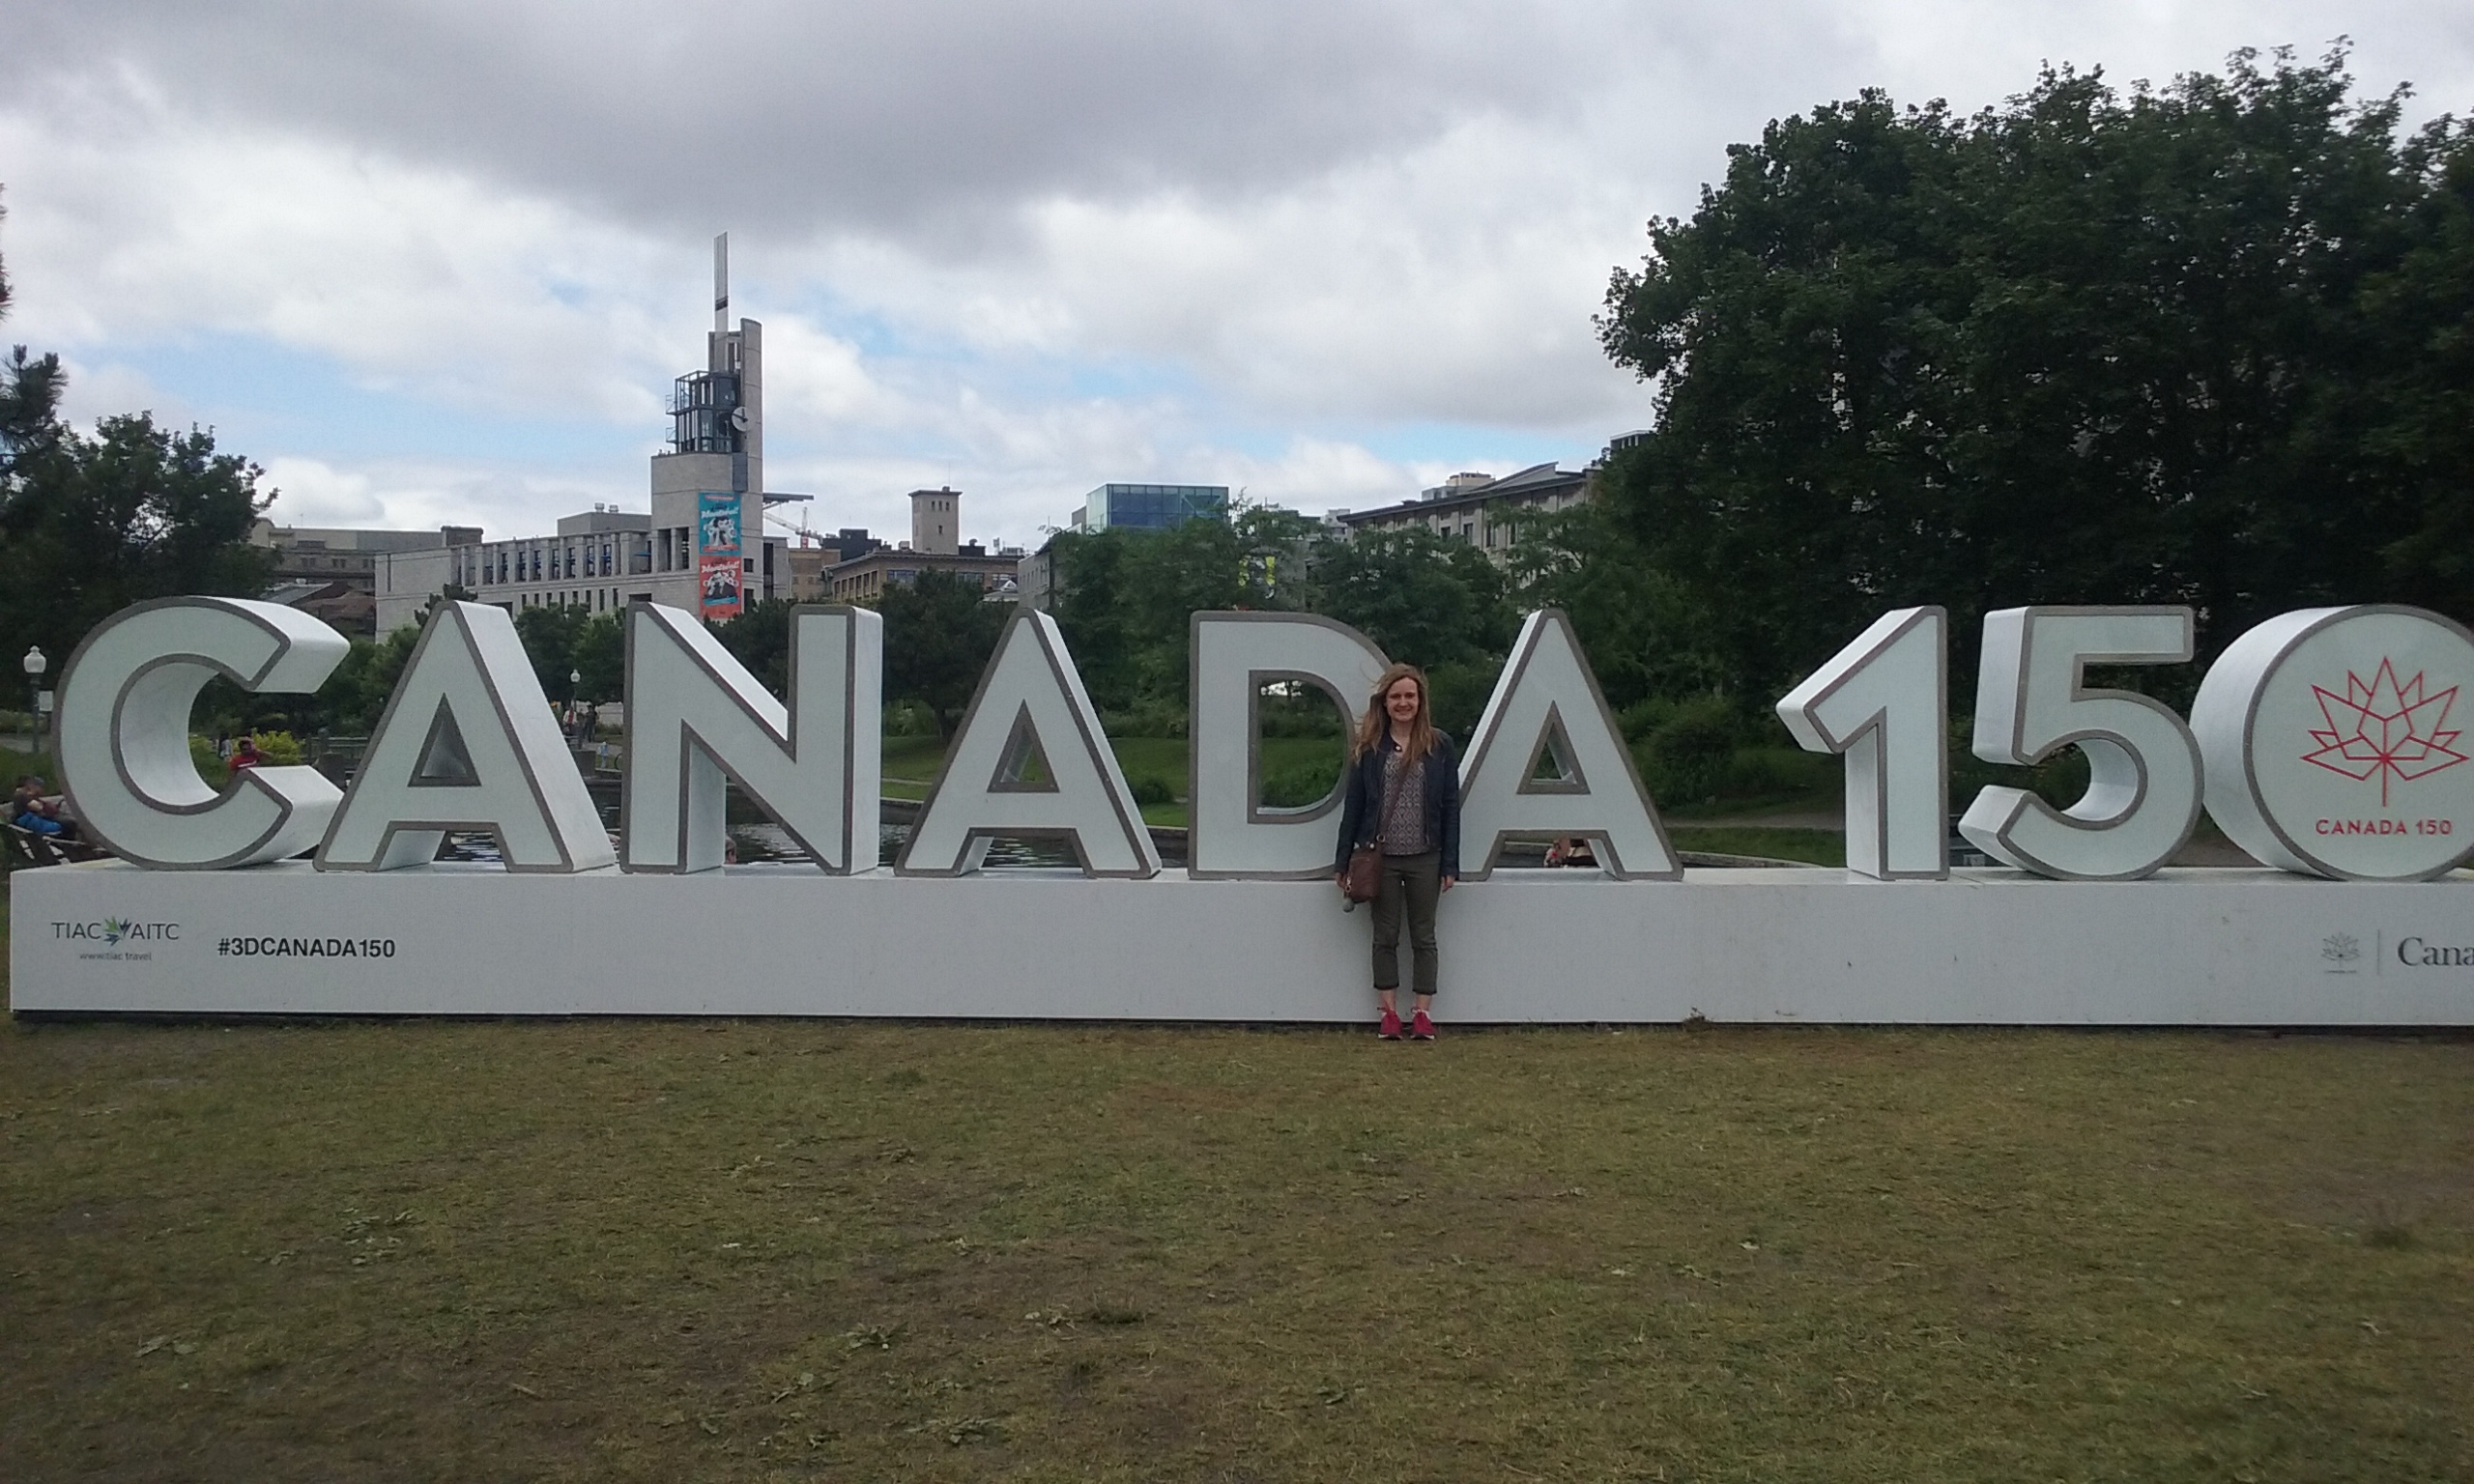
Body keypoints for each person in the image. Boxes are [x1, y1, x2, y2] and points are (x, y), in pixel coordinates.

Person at [1334, 664, 1461, 1041]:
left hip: (1426, 855)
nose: (1403, 703)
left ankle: (1421, 1014)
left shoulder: (1440, 745)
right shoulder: (1370, 748)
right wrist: (1342, 860)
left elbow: (1450, 807)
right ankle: (1388, 1013)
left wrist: (1450, 862)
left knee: (1424, 936)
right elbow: (1353, 806)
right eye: (1396, 697)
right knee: (1384, 936)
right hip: (1381, 859)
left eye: (1410, 696)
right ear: (1384, 703)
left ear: (1420, 701)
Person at [11, 774, 77, 841]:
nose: (41, 789)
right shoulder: (20, 795)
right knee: (69, 824)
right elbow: (38, 807)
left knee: (68, 822)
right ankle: (66, 845)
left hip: (39, 820)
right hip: (36, 822)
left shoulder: (24, 795)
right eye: (37, 786)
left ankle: (66, 843)